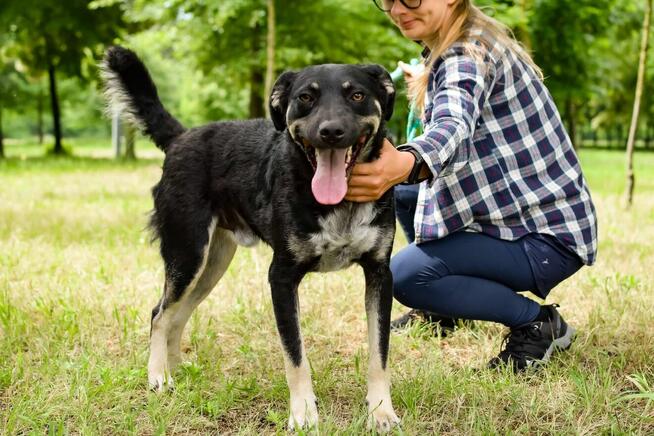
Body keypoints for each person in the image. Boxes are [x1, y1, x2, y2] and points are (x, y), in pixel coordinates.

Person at [345, 0, 598, 372]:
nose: (399, 9)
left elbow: (453, 125)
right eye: (388, 0)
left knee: (403, 276)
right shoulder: (463, 41)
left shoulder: (466, 53)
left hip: (545, 239)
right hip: (526, 222)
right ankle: (442, 308)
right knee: (404, 192)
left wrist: (405, 162)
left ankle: (538, 322)